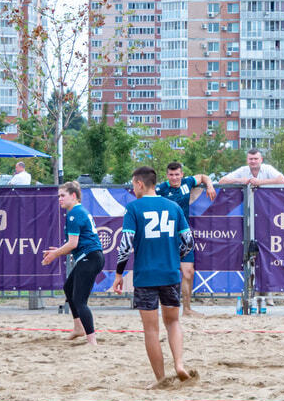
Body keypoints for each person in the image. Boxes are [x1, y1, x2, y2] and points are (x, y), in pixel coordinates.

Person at [112, 166, 195, 388]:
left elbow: (125, 245)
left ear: (140, 184)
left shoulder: (133, 208)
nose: (132, 188)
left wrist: (119, 273)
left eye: (133, 184)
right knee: (173, 321)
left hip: (146, 275)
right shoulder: (174, 207)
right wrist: (173, 256)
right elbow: (188, 242)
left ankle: (161, 379)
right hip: (170, 273)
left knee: (151, 329)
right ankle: (179, 364)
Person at [42, 182, 104, 346]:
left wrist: (55, 253)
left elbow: (73, 244)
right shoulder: (77, 211)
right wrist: (59, 250)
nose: (59, 199)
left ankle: (92, 341)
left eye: (62, 195)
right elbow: (76, 244)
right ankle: (78, 328)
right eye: (58, 196)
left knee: (79, 300)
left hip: (90, 258)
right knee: (69, 288)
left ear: (74, 196)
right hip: (91, 256)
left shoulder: (74, 213)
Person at [155, 161, 216, 318]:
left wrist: (209, 185)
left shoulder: (187, 183)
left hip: (184, 235)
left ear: (182, 174)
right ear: (167, 175)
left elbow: (203, 176)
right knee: (167, 273)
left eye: (177, 174)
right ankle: (165, 308)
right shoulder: (160, 189)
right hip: (166, 236)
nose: (174, 178)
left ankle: (187, 309)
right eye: (171, 175)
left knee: (188, 272)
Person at [218, 148, 284, 187]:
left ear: (261, 159)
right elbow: (221, 181)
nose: (253, 161)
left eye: (256, 159)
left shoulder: (268, 168)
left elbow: (283, 181)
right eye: (250, 159)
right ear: (247, 160)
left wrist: (260, 182)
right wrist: (239, 180)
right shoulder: (242, 170)